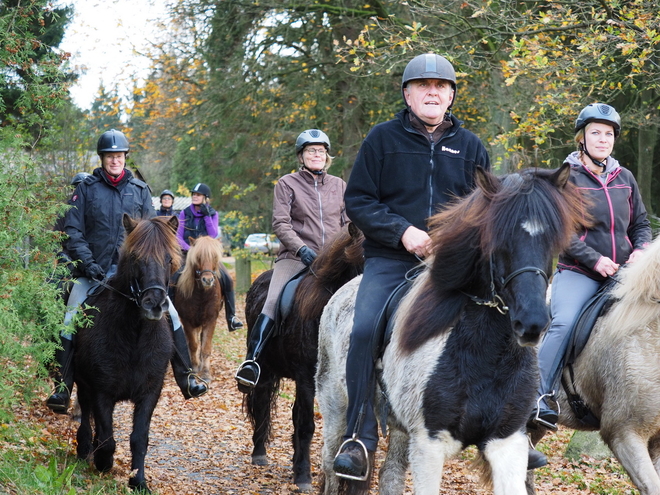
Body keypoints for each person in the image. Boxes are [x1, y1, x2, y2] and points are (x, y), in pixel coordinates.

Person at [332, 53, 502, 479]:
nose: (433, 92)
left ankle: (504, 428)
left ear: (451, 96)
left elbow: (486, 207)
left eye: (441, 86)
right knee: (365, 329)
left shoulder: (471, 146)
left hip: (450, 263)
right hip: (390, 259)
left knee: (499, 319)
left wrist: (454, 240)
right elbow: (359, 201)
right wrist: (402, 232)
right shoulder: (381, 139)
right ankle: (359, 438)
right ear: (407, 94)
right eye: (423, 85)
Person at [46, 129, 208, 414]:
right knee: (71, 313)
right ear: (102, 158)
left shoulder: (140, 190)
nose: (114, 161)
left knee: (169, 311)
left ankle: (187, 377)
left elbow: (153, 234)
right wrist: (88, 264)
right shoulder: (85, 189)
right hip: (92, 271)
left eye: (119, 156)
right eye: (110, 156)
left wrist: (150, 268)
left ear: (125, 158)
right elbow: (72, 230)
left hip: (133, 273)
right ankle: (64, 386)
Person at [529, 103, 651, 431]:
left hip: (625, 275)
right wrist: (595, 260)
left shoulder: (624, 177)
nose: (603, 139)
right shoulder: (565, 179)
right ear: (582, 139)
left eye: (608, 134)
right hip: (580, 274)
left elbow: (640, 223)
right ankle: (538, 397)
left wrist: (640, 250)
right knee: (564, 322)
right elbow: (562, 233)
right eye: (595, 133)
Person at [234, 129, 347, 391]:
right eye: (310, 150)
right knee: (273, 300)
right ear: (301, 156)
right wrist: (301, 249)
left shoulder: (339, 185)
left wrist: (342, 250)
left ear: (327, 156)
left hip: (333, 259)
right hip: (295, 258)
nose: (316, 154)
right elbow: (281, 223)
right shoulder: (287, 183)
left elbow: (348, 223)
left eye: (320, 150)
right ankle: (253, 361)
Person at [176, 183, 243, 331]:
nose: (195, 196)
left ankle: (231, 317)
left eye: (198, 194)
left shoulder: (213, 214)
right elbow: (179, 236)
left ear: (205, 198)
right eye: (193, 194)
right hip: (187, 255)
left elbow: (213, 235)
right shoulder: (184, 213)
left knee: (227, 279)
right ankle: (166, 314)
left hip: (208, 258)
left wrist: (206, 216)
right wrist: (191, 250)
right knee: (172, 278)